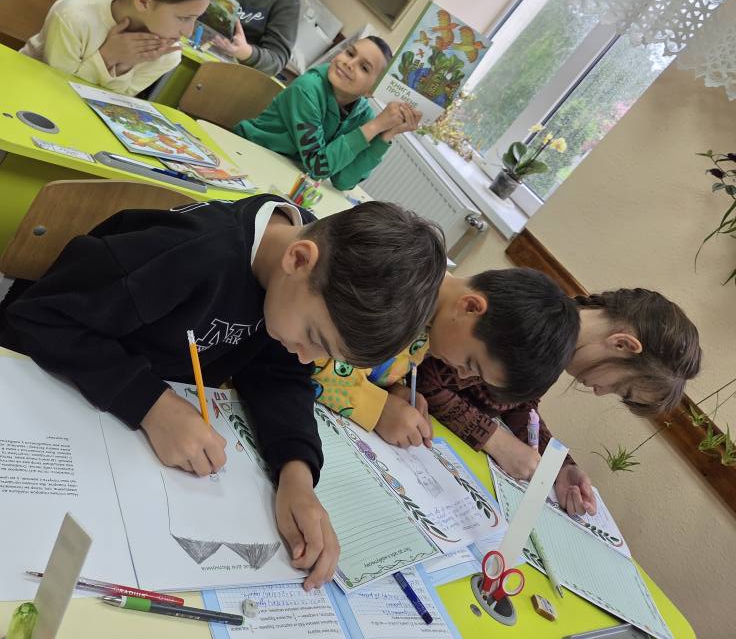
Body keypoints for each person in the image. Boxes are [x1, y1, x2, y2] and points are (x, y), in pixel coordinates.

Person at [1, 197, 447, 590]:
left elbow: (280, 374)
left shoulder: (301, 277)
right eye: (314, 337)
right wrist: (151, 404)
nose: (308, 357)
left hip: (123, 438)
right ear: (298, 259)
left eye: (325, 353)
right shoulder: (191, 252)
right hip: (41, 397)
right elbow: (38, 316)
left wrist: (296, 473)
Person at [417, 286, 701, 516]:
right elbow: (426, 376)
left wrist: (559, 466)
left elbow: (518, 403)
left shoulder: (556, 347)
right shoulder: (533, 324)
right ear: (622, 344)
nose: (601, 392)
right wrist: (496, 441)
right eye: (619, 387)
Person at [313, 268, 579, 447]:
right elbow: (309, 356)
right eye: (471, 364)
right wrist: (377, 408)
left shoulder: (432, 324)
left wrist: (395, 388)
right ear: (470, 307)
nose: (462, 374)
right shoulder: (396, 289)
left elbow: (374, 363)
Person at [20, 0, 213, 96]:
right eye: (184, 18)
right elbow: (57, 90)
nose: (188, 32)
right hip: (26, 90)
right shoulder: (74, 15)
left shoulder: (167, 54)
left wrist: (124, 64)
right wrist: (106, 58)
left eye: (195, 19)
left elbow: (113, 105)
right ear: (144, 1)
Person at [235, 36, 421, 190]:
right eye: (350, 53)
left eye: (364, 67)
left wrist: (386, 135)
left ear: (371, 91)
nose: (349, 63)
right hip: (244, 155)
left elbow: (343, 181)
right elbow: (318, 167)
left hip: (282, 174)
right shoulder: (307, 88)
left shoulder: (364, 116)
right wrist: (375, 127)